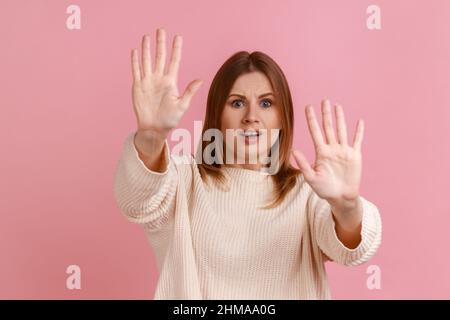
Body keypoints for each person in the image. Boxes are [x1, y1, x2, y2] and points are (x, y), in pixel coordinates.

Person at [113, 27, 382, 299]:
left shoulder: (308, 193)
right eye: (237, 103)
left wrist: (347, 206)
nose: (251, 116)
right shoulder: (184, 182)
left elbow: (353, 250)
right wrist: (150, 137)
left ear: (282, 118)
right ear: (217, 115)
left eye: (266, 103)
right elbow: (137, 200)